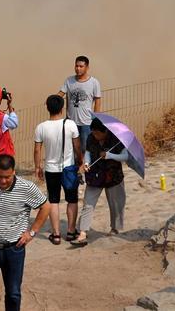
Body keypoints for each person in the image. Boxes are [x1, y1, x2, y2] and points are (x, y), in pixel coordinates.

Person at [0, 154, 50, 311]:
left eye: (7, 177)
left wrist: (32, 233)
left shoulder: (26, 188)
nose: (3, 181)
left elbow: (46, 207)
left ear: (14, 171)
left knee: (13, 293)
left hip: (14, 249)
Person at [71, 118, 130, 247]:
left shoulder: (116, 139)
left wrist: (110, 156)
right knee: (88, 204)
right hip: (95, 175)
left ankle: (115, 228)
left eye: (97, 133)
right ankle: (83, 232)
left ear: (105, 131)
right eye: (93, 132)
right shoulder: (91, 137)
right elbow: (87, 152)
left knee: (116, 204)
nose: (95, 135)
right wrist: (86, 163)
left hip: (113, 176)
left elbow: (125, 156)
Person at [33, 94, 82, 244]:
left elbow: (37, 150)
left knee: (53, 200)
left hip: (51, 169)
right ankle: (71, 231)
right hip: (68, 169)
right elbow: (77, 146)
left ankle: (56, 234)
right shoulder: (71, 124)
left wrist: (37, 167)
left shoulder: (41, 127)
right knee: (72, 199)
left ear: (47, 108)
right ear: (62, 108)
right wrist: (80, 161)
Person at [58, 55, 102, 148]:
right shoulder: (69, 81)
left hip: (86, 122)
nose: (78, 69)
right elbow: (60, 94)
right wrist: (52, 99)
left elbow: (97, 101)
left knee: (85, 148)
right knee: (70, 148)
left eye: (81, 66)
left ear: (87, 67)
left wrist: (96, 119)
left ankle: (84, 163)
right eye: (76, 66)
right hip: (71, 121)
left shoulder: (94, 82)